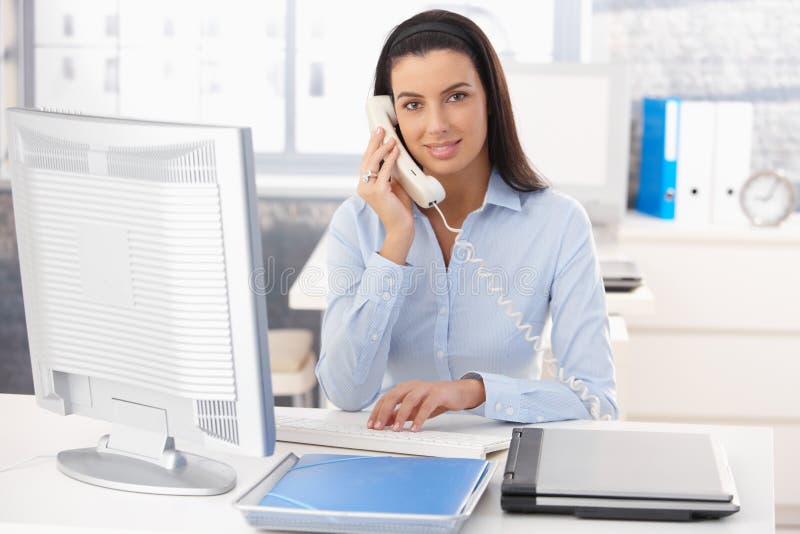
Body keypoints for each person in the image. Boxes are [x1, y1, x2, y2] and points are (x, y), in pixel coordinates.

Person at [315, 9, 618, 432]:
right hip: (394, 453)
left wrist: (472, 392)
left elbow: (597, 400)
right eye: (413, 105)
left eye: (456, 96)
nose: (436, 126)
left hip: (503, 460)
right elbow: (345, 393)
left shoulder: (559, 223)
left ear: (490, 101)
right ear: (389, 118)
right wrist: (396, 239)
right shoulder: (358, 222)